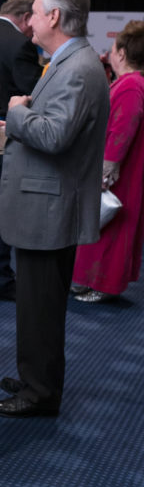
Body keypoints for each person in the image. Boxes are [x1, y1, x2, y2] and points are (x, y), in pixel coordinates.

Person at [0, 0, 109, 419]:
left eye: (36, 12)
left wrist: (17, 113)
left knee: (41, 306)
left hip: (50, 208)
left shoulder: (76, 67)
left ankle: (38, 393)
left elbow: (54, 135)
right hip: (46, 205)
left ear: (54, 17)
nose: (30, 22)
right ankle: (35, 377)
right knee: (39, 304)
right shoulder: (69, 61)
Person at [72, 20, 144, 302]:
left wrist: (107, 168)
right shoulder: (130, 83)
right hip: (122, 171)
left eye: (113, 48)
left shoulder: (129, 86)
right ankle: (90, 281)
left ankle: (100, 284)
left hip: (118, 174)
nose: (109, 52)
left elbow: (121, 129)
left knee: (108, 230)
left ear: (123, 53)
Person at [0, 0, 41, 301]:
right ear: (25, 17)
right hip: (3, 135)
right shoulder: (21, 46)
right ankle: (0, 278)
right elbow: (35, 96)